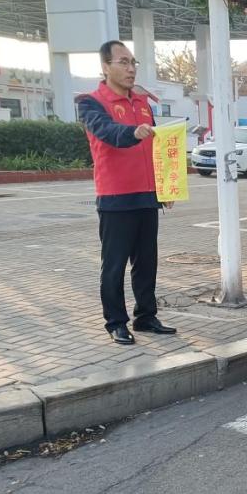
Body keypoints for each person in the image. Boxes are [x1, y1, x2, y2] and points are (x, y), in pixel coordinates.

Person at [78, 40, 176, 345]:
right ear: (105, 67)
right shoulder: (90, 103)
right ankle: (115, 322)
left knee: (147, 263)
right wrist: (132, 132)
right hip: (116, 197)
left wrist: (165, 186)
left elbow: (156, 146)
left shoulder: (143, 102)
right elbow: (106, 132)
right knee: (115, 265)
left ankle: (146, 316)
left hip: (147, 195)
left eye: (133, 62)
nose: (131, 68)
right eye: (123, 62)